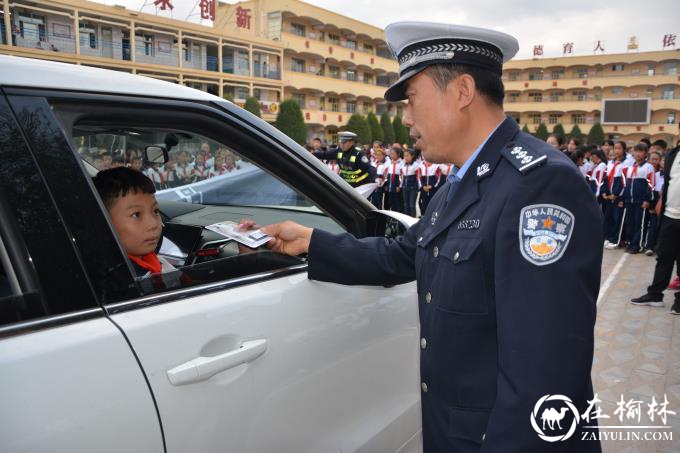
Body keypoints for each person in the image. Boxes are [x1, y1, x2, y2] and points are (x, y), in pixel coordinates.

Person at [259, 22, 602, 452]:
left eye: (412, 99)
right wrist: (311, 240)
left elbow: (545, 375)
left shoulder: (539, 186)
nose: (406, 118)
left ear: (461, 92)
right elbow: (403, 254)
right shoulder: (458, 184)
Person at [93, 167, 174, 278]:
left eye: (155, 211)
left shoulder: (155, 262)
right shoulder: (117, 282)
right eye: (136, 215)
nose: (153, 224)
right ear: (103, 222)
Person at [631, 143, 680, 313]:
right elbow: (669, 183)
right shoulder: (673, 154)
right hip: (669, 215)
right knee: (664, 257)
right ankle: (655, 295)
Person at [621, 143, 654, 253]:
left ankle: (638, 245)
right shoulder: (630, 168)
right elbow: (626, 185)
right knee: (630, 222)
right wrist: (624, 198)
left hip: (641, 201)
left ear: (645, 154)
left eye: (641, 151)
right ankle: (630, 242)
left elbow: (651, 185)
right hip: (629, 200)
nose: (638, 154)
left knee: (639, 223)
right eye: (636, 151)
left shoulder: (648, 167)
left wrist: (647, 199)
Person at [400, 148, 419, 217]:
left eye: (407, 155)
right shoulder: (403, 164)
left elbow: (418, 177)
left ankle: (413, 220)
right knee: (406, 205)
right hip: (405, 187)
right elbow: (401, 176)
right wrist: (400, 185)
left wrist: (417, 187)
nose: (406, 157)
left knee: (411, 205)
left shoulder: (416, 165)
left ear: (412, 156)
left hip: (413, 188)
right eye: (405, 156)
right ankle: (406, 220)